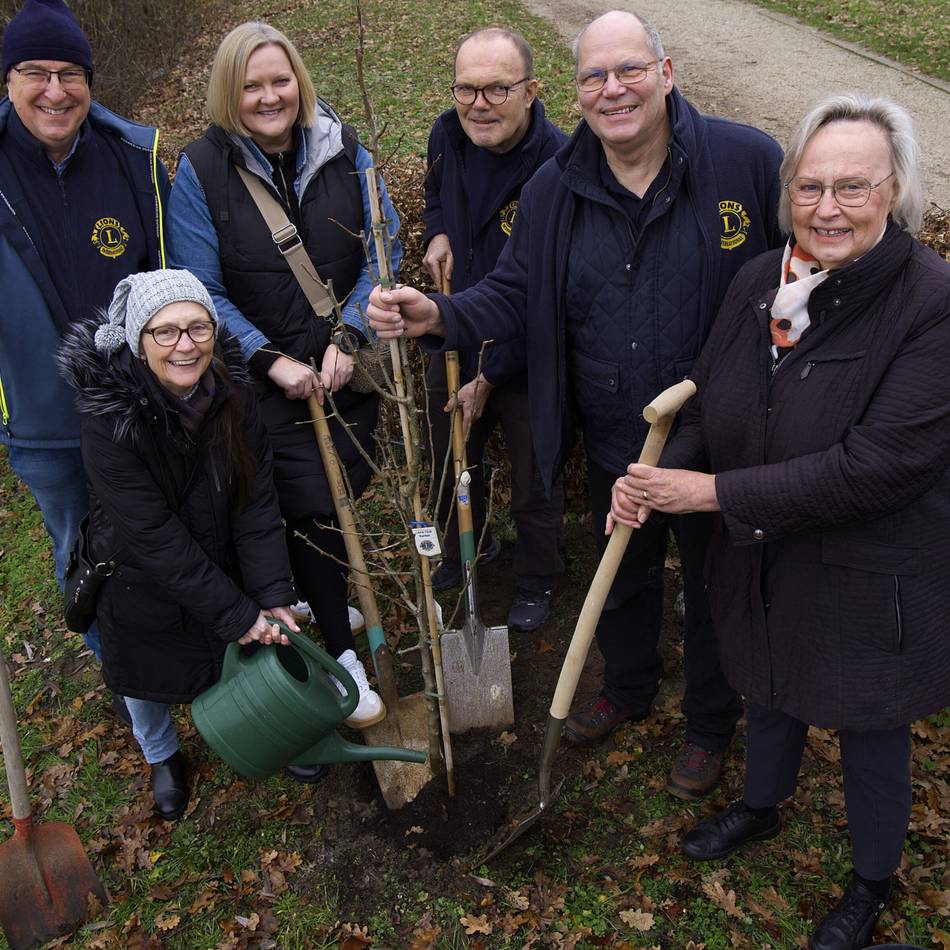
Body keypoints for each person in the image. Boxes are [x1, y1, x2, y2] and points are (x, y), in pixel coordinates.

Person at [368, 9, 783, 799]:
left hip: (716, 436)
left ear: (666, 74)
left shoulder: (745, 162)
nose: (612, 88)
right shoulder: (557, 184)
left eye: (629, 70)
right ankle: (627, 689)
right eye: (594, 75)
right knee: (621, 570)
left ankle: (706, 723)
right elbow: (515, 290)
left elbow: (805, 264)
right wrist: (440, 315)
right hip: (611, 431)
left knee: (712, 584)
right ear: (575, 91)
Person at [609, 94, 950, 950]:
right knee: (765, 679)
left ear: (897, 190)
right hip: (764, 547)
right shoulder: (761, 278)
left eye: (852, 188)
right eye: (810, 187)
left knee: (871, 725)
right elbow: (710, 392)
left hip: (872, 564)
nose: (826, 209)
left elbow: (877, 468)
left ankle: (871, 879)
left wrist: (713, 497)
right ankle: (761, 804)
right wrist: (659, 474)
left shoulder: (930, 305)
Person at [168, 22, 402, 729]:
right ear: (227, 93)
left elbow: (382, 241)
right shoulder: (201, 171)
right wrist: (268, 359)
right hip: (258, 382)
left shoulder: (344, 148)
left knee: (339, 497)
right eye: (251, 85)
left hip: (340, 367)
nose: (269, 96)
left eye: (280, 80)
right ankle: (343, 659)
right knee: (308, 513)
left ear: (299, 81)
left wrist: (350, 334)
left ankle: (319, 593)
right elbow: (200, 288)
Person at [58, 269, 303, 820]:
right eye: (164, 332)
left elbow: (257, 503)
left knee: (245, 637)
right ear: (138, 341)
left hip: (219, 546)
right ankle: (161, 753)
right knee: (146, 662)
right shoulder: (108, 419)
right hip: (137, 568)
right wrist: (237, 611)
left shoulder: (236, 398)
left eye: (198, 328)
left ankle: (270, 721)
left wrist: (269, 593)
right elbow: (152, 536)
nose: (184, 345)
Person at [0, 0, 169, 676]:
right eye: (34, 72)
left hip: (147, 409)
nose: (54, 90)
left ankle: (206, 676)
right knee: (86, 562)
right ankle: (140, 707)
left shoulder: (134, 159)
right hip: (43, 428)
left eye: (71, 72)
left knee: (171, 541)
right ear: (8, 79)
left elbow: (169, 276)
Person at [422, 27, 567, 632]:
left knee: (536, 469)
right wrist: (438, 231)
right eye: (467, 88)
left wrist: (490, 374)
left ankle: (537, 579)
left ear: (531, 91)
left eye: (497, 89)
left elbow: (549, 295)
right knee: (449, 453)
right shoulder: (447, 134)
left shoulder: (559, 165)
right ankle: (462, 554)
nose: (478, 103)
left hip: (530, 346)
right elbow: (435, 193)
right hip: (456, 322)